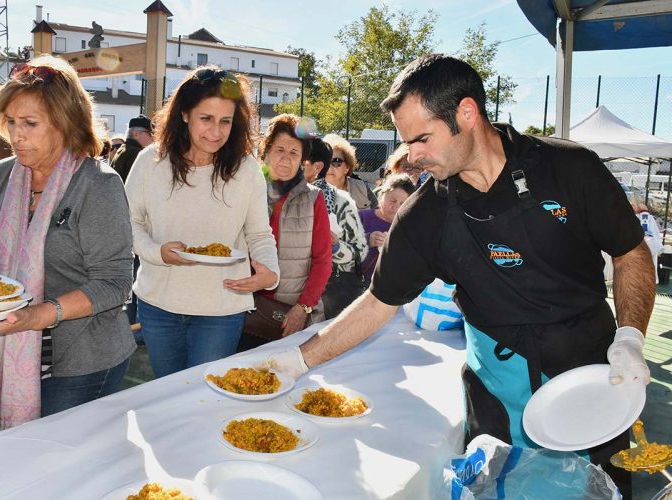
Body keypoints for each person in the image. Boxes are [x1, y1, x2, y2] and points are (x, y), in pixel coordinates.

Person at [259, 54, 655, 498]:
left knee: (599, 490)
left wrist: (632, 338)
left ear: (466, 114)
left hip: (591, 379)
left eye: (422, 138)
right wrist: (299, 360)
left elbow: (630, 251)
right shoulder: (425, 215)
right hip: (497, 396)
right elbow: (376, 303)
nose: (412, 155)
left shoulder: (569, 168)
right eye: (407, 141)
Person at [0, 55, 136, 436]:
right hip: (10, 351)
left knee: (57, 467)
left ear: (65, 123)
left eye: (30, 124)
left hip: (83, 361)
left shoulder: (97, 184)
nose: (16, 136)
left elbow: (114, 282)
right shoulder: (1, 175)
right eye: (12, 123)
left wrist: (37, 315)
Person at [125, 66, 279, 378]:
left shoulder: (247, 169)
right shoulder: (151, 161)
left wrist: (269, 273)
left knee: (202, 395)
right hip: (159, 305)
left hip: (222, 309)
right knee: (169, 392)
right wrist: (157, 252)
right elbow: (127, 223)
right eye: (205, 118)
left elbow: (259, 234)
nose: (216, 131)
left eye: (225, 121)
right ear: (184, 114)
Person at [255, 114, 332, 335]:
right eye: (280, 150)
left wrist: (303, 308)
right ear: (266, 152)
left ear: (302, 160)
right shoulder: (246, 192)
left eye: (294, 153)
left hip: (291, 314)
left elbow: (323, 261)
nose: (286, 159)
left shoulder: (313, 199)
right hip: (246, 310)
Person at [303, 137, 368, 319]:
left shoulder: (341, 201)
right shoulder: (276, 195)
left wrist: (336, 247)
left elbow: (359, 252)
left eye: (337, 162)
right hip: (286, 293)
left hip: (330, 292)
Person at [359, 173, 415, 281]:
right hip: (354, 282)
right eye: (392, 201)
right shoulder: (362, 217)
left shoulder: (408, 228)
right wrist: (368, 239)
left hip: (388, 286)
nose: (396, 206)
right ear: (381, 196)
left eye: (403, 203)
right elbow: (340, 243)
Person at [323, 133, 378, 210]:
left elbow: (379, 217)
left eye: (336, 161)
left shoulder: (362, 189)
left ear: (347, 167)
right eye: (325, 161)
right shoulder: (310, 193)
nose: (329, 167)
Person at [111, 115, 153, 182]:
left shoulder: (123, 149)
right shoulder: (135, 153)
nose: (153, 137)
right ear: (136, 134)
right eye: (150, 133)